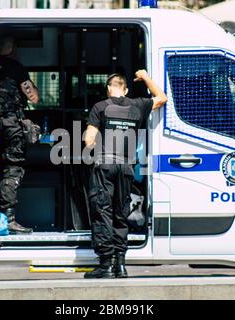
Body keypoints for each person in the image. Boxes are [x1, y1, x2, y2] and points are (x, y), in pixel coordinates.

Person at [83, 70, 167, 278]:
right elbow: (162, 98)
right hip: (127, 167)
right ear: (126, 90)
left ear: (108, 89)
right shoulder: (138, 105)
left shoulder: (100, 106)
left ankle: (105, 265)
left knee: (103, 212)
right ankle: (120, 265)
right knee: (121, 213)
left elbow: (89, 141)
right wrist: (146, 77)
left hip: (105, 165)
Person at [0, 36, 39, 234]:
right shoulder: (16, 68)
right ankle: (8, 220)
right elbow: (35, 98)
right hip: (11, 126)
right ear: (12, 47)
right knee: (13, 168)